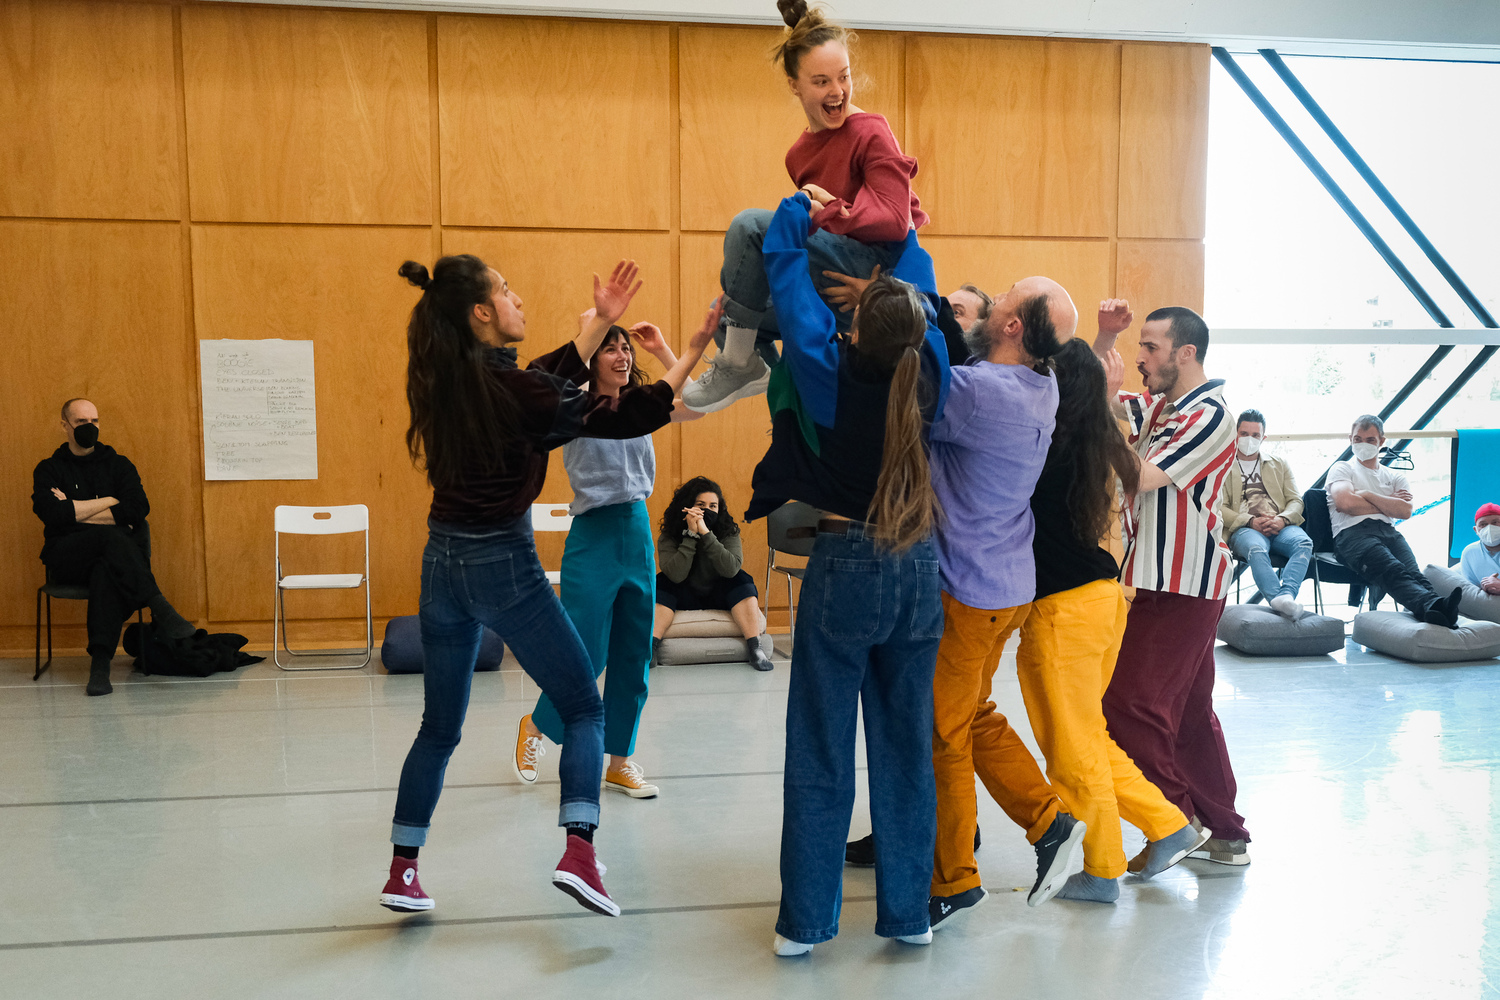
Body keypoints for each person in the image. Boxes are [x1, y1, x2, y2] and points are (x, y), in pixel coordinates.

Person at [381, 254, 717, 919]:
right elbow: (627, 412)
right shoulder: (516, 391)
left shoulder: (449, 376)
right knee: (584, 707)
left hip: (440, 563)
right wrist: (683, 348)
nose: (518, 297)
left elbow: (538, 378)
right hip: (502, 564)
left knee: (438, 730)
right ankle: (580, 854)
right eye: (506, 291)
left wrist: (599, 328)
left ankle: (403, 869)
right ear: (481, 313)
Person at [745, 190, 949, 956]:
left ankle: (806, 925)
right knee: (905, 750)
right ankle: (907, 915)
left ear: (853, 325)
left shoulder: (828, 376)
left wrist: (797, 208)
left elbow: (788, 276)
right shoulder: (931, 370)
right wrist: (905, 237)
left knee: (822, 747)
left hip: (844, 566)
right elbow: (918, 294)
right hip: (918, 567)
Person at [1015, 337, 1209, 904]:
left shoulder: (1045, 442)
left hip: (1065, 612)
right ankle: (1168, 824)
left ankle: (1102, 870)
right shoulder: (1090, 438)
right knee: (1087, 737)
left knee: (1072, 747)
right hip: (1098, 600)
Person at [921, 275, 1088, 928]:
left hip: (970, 589)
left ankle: (957, 878)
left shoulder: (980, 393)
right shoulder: (1039, 386)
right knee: (974, 715)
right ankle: (1049, 823)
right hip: (1007, 585)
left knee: (945, 734)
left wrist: (926, 311)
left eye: (1005, 300)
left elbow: (923, 384)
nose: (991, 306)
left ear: (1013, 325)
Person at [681, 0, 928, 413]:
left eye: (844, 78)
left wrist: (827, 211)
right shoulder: (798, 155)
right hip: (833, 275)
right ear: (794, 84)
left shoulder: (871, 130)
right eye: (821, 82)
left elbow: (894, 219)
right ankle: (765, 379)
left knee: (750, 227)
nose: (837, 92)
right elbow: (813, 234)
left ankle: (737, 364)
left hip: (876, 273)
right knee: (726, 313)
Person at [513, 319, 705, 800]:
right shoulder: (575, 410)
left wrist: (663, 349)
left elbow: (697, 409)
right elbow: (563, 372)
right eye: (610, 350)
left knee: (633, 652)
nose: (622, 356)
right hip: (593, 532)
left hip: (636, 529)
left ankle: (620, 761)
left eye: (626, 349)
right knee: (585, 649)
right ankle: (536, 726)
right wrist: (592, 323)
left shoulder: (642, 409)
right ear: (592, 359)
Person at [1093, 300, 1254, 868]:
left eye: (1150, 347)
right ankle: (1227, 834)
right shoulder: (1163, 404)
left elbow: (1139, 476)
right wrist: (1102, 337)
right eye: (1138, 347)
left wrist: (1100, 421)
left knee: (1127, 704)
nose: (1140, 358)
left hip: (1183, 582)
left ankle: (1177, 819)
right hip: (1159, 579)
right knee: (1188, 711)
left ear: (1186, 353)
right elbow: (1101, 393)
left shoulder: (1211, 414)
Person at [31, 398, 197, 696]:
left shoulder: (118, 465)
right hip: (67, 557)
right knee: (112, 538)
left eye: (94, 421)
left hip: (112, 561)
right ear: (65, 426)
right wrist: (109, 501)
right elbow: (53, 515)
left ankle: (100, 666)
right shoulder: (49, 469)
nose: (89, 427)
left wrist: (75, 511)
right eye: (81, 422)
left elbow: (137, 509)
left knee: (105, 570)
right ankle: (158, 603)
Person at [1327, 414, 1461, 627]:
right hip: (1352, 535)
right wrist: (1388, 503)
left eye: (1370, 440)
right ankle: (1438, 607)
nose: (1363, 444)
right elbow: (1346, 504)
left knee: (1415, 574)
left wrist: (1367, 495)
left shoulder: (1395, 476)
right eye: (1357, 439)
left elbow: (1405, 510)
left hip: (1389, 532)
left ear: (1381, 441)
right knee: (1393, 570)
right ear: (1350, 440)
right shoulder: (1343, 468)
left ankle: (1437, 610)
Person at [653, 476, 774, 672]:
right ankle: (651, 647)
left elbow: (730, 568)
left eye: (713, 506)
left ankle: (755, 648)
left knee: (742, 579)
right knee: (662, 582)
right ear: (687, 506)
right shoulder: (670, 534)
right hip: (685, 592)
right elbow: (675, 574)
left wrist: (706, 534)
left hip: (720, 594)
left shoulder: (728, 531)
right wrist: (691, 536)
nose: (707, 510)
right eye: (700, 505)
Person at [1221, 408, 1314, 618]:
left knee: (1304, 542)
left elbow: (1295, 500)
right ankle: (1276, 598)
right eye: (1244, 434)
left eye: (1255, 435)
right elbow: (1218, 507)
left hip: (1280, 526)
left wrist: (1282, 519)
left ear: (1263, 437)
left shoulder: (1279, 464)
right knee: (1256, 547)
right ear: (1235, 434)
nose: (1249, 439)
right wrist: (1250, 521)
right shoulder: (1223, 466)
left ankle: (1287, 595)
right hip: (1244, 528)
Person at [1460, 503, 1500, 593]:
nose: (1489, 528)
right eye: (1483, 524)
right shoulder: (1470, 553)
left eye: (1495, 522)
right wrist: (1485, 587)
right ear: (1476, 530)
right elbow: (1469, 590)